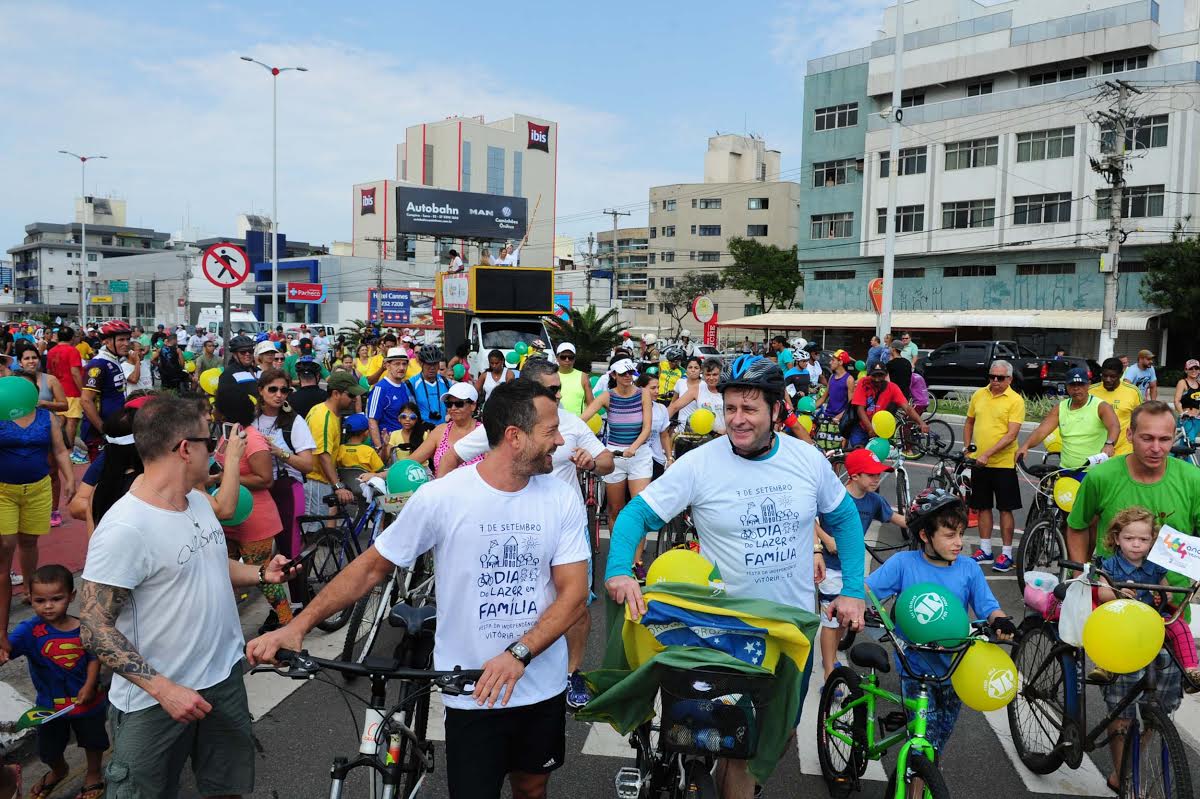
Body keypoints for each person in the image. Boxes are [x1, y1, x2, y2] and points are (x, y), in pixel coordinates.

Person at [247, 379, 590, 799]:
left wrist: (521, 653)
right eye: (551, 431)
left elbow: (574, 592)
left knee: (532, 788)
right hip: (470, 688)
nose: (560, 441)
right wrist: (297, 626)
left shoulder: (560, 495)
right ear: (514, 437)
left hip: (539, 681)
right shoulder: (442, 497)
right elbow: (371, 567)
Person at [605, 355, 867, 799]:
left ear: (777, 411)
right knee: (728, 738)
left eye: (749, 409)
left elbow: (844, 519)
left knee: (777, 736)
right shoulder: (700, 463)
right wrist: (617, 572)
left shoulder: (807, 460)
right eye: (730, 409)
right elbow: (635, 515)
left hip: (791, 631)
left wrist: (855, 591)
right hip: (725, 630)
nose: (737, 420)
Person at [79, 396, 297, 797]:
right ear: (184, 448)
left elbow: (209, 563)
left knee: (226, 788)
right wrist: (165, 689)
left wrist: (262, 572)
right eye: (208, 438)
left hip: (222, 678)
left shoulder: (196, 501)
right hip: (155, 701)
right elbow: (93, 627)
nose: (214, 447)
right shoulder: (126, 527)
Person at [865, 489, 1015, 758]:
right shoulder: (903, 564)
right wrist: (858, 609)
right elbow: (867, 591)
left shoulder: (968, 568)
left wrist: (1000, 620)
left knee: (938, 739)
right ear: (925, 535)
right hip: (915, 667)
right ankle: (916, 779)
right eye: (949, 535)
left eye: (960, 533)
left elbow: (988, 606)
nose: (959, 542)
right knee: (923, 744)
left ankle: (924, 775)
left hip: (956, 668)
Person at [1092, 506, 1194, 791]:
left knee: (1176, 639)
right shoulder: (1109, 565)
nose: (1136, 544)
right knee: (1121, 704)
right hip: (1123, 628)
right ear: (1116, 538)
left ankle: (1191, 670)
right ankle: (1104, 667)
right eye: (1129, 538)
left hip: (1152, 626)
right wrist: (1117, 592)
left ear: (1152, 541)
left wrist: (1172, 593)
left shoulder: (1154, 567)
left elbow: (1164, 591)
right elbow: (1102, 592)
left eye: (1143, 540)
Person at [0, 565, 107, 799]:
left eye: (56, 599)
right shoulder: (29, 630)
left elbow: (94, 658)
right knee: (48, 749)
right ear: (29, 598)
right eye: (40, 600)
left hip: (87, 701)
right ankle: (59, 770)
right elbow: (8, 648)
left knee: (93, 742)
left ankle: (93, 773)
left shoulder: (84, 627)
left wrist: (89, 685)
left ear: (72, 596)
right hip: (49, 706)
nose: (48, 606)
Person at [1066, 401, 1200, 564]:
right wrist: (1080, 576)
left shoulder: (1194, 480)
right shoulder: (1100, 477)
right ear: (1130, 435)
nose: (1156, 448)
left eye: (1164, 439)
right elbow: (1078, 526)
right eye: (1147, 438)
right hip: (1111, 586)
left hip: (1175, 589)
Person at [0, 370, 75, 655]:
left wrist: (70, 479)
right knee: (5, 547)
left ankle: (32, 594)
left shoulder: (46, 417)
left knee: (29, 543)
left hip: (38, 489)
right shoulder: (1, 413)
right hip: (3, 491)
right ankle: (2, 625)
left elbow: (59, 451)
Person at [815, 448, 906, 679]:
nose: (877, 479)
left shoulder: (874, 501)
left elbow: (897, 519)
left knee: (841, 619)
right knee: (831, 621)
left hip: (851, 570)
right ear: (854, 475)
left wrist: (928, 524)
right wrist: (826, 540)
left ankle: (832, 656)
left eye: (879, 474)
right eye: (871, 475)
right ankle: (829, 671)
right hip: (830, 566)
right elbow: (809, 520)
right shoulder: (835, 498)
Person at [583, 358, 653, 575]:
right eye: (622, 373)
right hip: (615, 455)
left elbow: (647, 428)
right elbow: (583, 418)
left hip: (639, 454)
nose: (627, 376)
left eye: (630, 372)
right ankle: (620, 557)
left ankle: (637, 562)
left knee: (639, 509)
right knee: (615, 510)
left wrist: (633, 447)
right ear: (613, 375)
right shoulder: (607, 396)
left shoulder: (643, 394)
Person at [254, 369, 315, 606]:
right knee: (258, 553)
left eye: (284, 390)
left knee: (289, 550)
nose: (279, 395)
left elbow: (308, 465)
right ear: (261, 390)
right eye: (273, 389)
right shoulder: (251, 419)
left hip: (288, 489)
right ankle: (279, 608)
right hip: (260, 489)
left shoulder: (294, 422)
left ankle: (298, 604)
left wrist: (280, 452)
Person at [963, 360, 1025, 573]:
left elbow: (1012, 434)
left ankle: (1006, 553)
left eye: (1000, 378)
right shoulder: (979, 395)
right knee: (982, 507)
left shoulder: (1015, 401)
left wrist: (987, 454)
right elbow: (969, 421)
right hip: (980, 462)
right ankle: (985, 549)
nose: (995, 381)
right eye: (992, 377)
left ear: (1009, 379)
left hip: (1003, 464)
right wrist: (968, 447)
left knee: (1005, 508)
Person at [1017, 368, 1120, 471]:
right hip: (1066, 469)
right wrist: (1025, 446)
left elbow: (1114, 426)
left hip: (1094, 471)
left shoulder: (1101, 406)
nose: (1076, 389)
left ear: (1088, 385)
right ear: (1066, 386)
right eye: (1072, 385)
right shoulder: (1060, 408)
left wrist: (1109, 444)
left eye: (1080, 385)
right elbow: (1041, 431)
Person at [304, 371, 365, 515]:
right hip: (317, 482)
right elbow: (323, 455)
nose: (354, 399)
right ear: (336, 393)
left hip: (322, 481)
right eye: (350, 395)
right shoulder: (323, 417)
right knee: (316, 534)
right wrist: (338, 486)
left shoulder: (326, 411)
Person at [81, 321, 130, 461]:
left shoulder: (114, 360)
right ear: (107, 342)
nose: (126, 343)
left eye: (128, 339)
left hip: (115, 429)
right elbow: (86, 400)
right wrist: (103, 431)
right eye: (121, 340)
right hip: (99, 434)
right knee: (101, 478)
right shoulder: (98, 364)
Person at [409, 383, 485, 475]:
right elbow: (412, 460)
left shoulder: (483, 432)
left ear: (473, 405)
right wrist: (388, 474)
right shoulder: (440, 431)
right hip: (441, 487)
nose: (453, 408)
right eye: (449, 404)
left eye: (459, 404)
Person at [849, 364, 927, 447]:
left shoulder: (893, 388)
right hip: (861, 427)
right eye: (874, 375)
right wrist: (870, 428)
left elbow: (907, 408)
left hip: (880, 429)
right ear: (869, 375)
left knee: (876, 456)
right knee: (858, 451)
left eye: (880, 375)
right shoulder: (863, 383)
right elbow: (860, 409)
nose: (877, 379)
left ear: (886, 375)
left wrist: (921, 423)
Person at [366, 347, 412, 461]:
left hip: (404, 447)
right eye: (397, 364)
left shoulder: (404, 386)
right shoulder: (380, 388)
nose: (401, 368)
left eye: (404, 364)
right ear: (387, 365)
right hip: (388, 449)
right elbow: (372, 420)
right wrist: (380, 448)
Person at [46, 327, 84, 464]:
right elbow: (75, 372)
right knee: (72, 422)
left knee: (60, 420)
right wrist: (83, 391)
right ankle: (69, 452)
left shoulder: (51, 351)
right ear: (72, 338)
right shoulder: (73, 351)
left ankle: (55, 448)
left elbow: (49, 371)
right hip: (72, 391)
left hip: (57, 390)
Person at [1090, 357, 1142, 457]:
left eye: (1112, 377)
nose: (1108, 380)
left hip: (1125, 450)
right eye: (1104, 376)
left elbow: (1140, 419)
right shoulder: (1091, 391)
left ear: (1121, 375)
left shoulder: (1133, 392)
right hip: (1096, 451)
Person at [668, 357, 726, 435]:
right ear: (703, 374)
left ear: (720, 374)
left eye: (715, 375)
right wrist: (657, 423)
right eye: (708, 375)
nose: (711, 378)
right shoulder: (697, 389)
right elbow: (674, 407)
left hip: (725, 435)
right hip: (704, 437)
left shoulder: (727, 390)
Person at [408, 345, 453, 425]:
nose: (432, 368)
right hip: (421, 430)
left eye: (435, 363)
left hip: (442, 430)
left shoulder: (446, 382)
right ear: (421, 363)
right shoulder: (411, 384)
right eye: (428, 364)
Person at [554, 342, 593, 416]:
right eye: (563, 357)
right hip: (555, 422)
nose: (567, 360)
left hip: (577, 423)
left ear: (574, 359)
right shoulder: (550, 375)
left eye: (570, 357)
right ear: (557, 358)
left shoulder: (583, 377)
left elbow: (591, 405)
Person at [1173, 358, 1200, 445]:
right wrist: (1182, 414)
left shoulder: (1199, 384)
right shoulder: (1182, 383)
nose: (1194, 370)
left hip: (1197, 419)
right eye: (1191, 368)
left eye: (1196, 368)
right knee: (1189, 443)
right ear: (1186, 370)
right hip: (1186, 418)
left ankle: (1171, 457)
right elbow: (1177, 401)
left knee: (1183, 445)